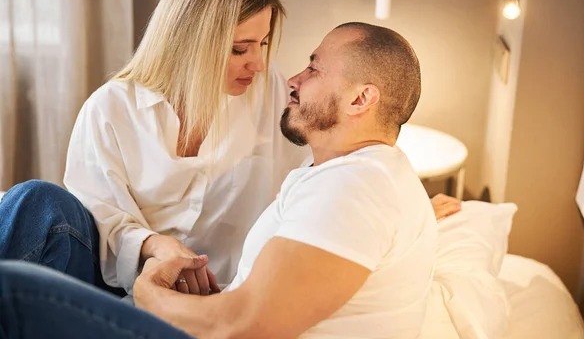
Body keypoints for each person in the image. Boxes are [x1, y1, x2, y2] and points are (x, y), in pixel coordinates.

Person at [0, 0, 459, 298]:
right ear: (189, 41)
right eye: (240, 49)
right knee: (34, 202)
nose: (258, 64)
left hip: (213, 301)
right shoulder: (111, 109)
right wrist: (153, 245)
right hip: (114, 284)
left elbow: (341, 153)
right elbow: (94, 216)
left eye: (262, 43)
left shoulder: (268, 95)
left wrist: (407, 203)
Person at [0, 22, 437, 339]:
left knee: (13, 287)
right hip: (196, 306)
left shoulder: (355, 190)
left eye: (315, 68)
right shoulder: (351, 179)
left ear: (362, 98)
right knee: (35, 203)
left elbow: (240, 326)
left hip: (200, 324)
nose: (294, 78)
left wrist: (148, 293)